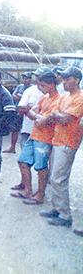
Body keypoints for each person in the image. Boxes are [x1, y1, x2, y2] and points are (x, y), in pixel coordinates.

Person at [40, 66, 83, 227]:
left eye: (67, 79)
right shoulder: (65, 97)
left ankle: (65, 215)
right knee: (54, 178)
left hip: (68, 142)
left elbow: (64, 118)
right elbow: (56, 115)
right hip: (58, 139)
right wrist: (56, 115)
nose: (64, 82)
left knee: (59, 179)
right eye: (63, 79)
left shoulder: (80, 98)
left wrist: (55, 115)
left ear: (77, 80)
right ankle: (56, 208)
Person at [11, 70, 60, 205]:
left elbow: (47, 119)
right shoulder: (45, 98)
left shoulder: (58, 100)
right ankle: (28, 190)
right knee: (22, 161)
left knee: (41, 167)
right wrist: (39, 117)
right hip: (35, 134)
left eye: (42, 85)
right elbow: (31, 112)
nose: (40, 88)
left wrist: (36, 115)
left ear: (51, 85)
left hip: (45, 138)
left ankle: (40, 194)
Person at [10, 70, 45, 191]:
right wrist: (36, 112)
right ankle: (25, 185)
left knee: (42, 164)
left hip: (45, 133)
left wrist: (30, 109)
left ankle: (40, 192)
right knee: (24, 160)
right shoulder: (29, 91)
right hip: (28, 129)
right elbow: (20, 109)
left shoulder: (51, 93)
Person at [3, 72, 33, 153]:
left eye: (27, 78)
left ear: (30, 79)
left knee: (27, 131)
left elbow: (30, 101)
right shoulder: (19, 87)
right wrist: (22, 98)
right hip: (18, 111)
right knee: (15, 129)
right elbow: (13, 96)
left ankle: (27, 149)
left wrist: (21, 97)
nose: (25, 80)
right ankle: (12, 147)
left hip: (28, 112)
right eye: (24, 78)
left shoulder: (32, 89)